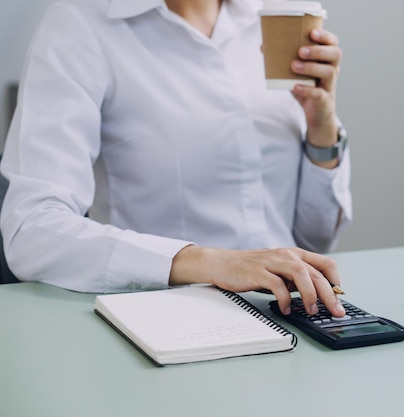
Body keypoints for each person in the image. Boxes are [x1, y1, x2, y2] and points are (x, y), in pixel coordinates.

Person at [0, 0, 352, 317]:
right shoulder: (79, 25)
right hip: (163, 322)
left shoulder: (282, 14)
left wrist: (321, 129)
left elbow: (314, 242)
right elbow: (31, 231)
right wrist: (212, 263)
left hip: (293, 314)